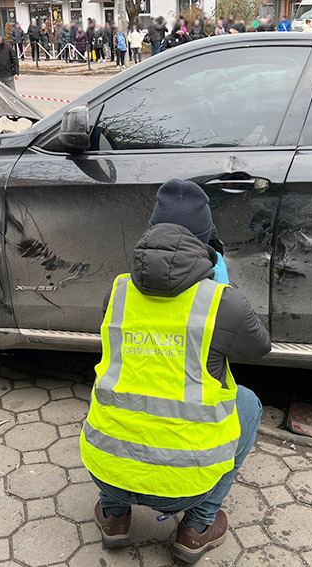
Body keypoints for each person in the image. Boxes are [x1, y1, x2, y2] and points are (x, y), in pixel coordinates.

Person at [81, 179, 271, 564]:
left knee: (117, 400)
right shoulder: (223, 303)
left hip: (107, 467)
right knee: (247, 402)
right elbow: (260, 347)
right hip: (187, 484)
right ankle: (197, 526)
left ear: (150, 234)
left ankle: (114, 517)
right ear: (206, 243)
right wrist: (221, 286)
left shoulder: (116, 293)